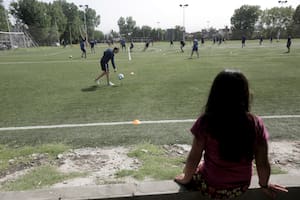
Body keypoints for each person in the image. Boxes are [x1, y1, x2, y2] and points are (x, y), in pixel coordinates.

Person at [175, 70, 288, 199]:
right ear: (245, 94)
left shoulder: (206, 122)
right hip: (240, 188)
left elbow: (194, 156)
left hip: (211, 186)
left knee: (199, 169)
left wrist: (186, 179)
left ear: (215, 94)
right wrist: (264, 185)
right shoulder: (255, 123)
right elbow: (262, 162)